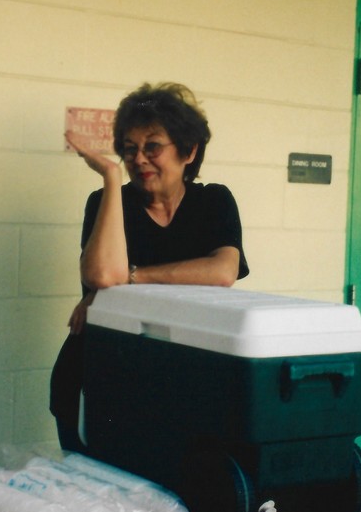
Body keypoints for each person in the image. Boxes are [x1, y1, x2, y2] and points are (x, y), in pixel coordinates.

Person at [50, 82, 249, 452]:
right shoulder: (106, 202)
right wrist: (111, 176)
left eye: (152, 146)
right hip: (97, 375)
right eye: (129, 149)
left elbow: (223, 272)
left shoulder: (214, 202)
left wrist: (133, 277)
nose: (138, 159)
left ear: (188, 151)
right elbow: (101, 275)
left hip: (172, 381)